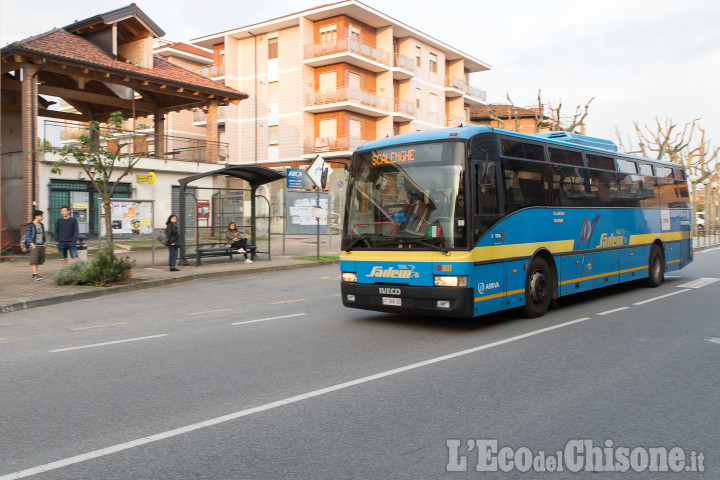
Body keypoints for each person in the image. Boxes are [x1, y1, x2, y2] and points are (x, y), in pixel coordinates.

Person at [24, 210, 46, 281]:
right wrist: (31, 244)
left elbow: (43, 234)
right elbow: (27, 235)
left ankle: (36, 273)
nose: (42, 217)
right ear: (36, 216)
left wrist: (44, 242)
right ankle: (34, 274)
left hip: (40, 244)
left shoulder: (41, 225)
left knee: (38, 260)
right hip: (34, 245)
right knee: (34, 260)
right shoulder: (30, 225)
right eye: (41, 216)